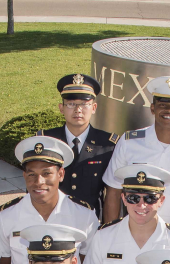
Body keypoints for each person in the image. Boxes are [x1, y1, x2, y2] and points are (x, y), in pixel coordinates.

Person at [102, 76, 170, 231]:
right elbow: (113, 192)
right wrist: (110, 233)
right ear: (153, 108)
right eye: (163, 105)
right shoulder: (129, 143)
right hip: (132, 229)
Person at [0, 136, 100, 264]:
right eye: (31, 175)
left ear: (61, 174)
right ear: (24, 176)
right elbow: (3, 262)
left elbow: (89, 261)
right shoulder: (6, 217)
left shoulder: (84, 215)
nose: (39, 181)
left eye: (46, 173)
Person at [41, 73, 116, 220]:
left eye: (84, 104)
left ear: (94, 107)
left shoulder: (107, 144)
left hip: (91, 221)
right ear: (61, 108)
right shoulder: (46, 140)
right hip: (53, 219)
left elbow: (112, 193)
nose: (78, 110)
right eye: (71, 104)